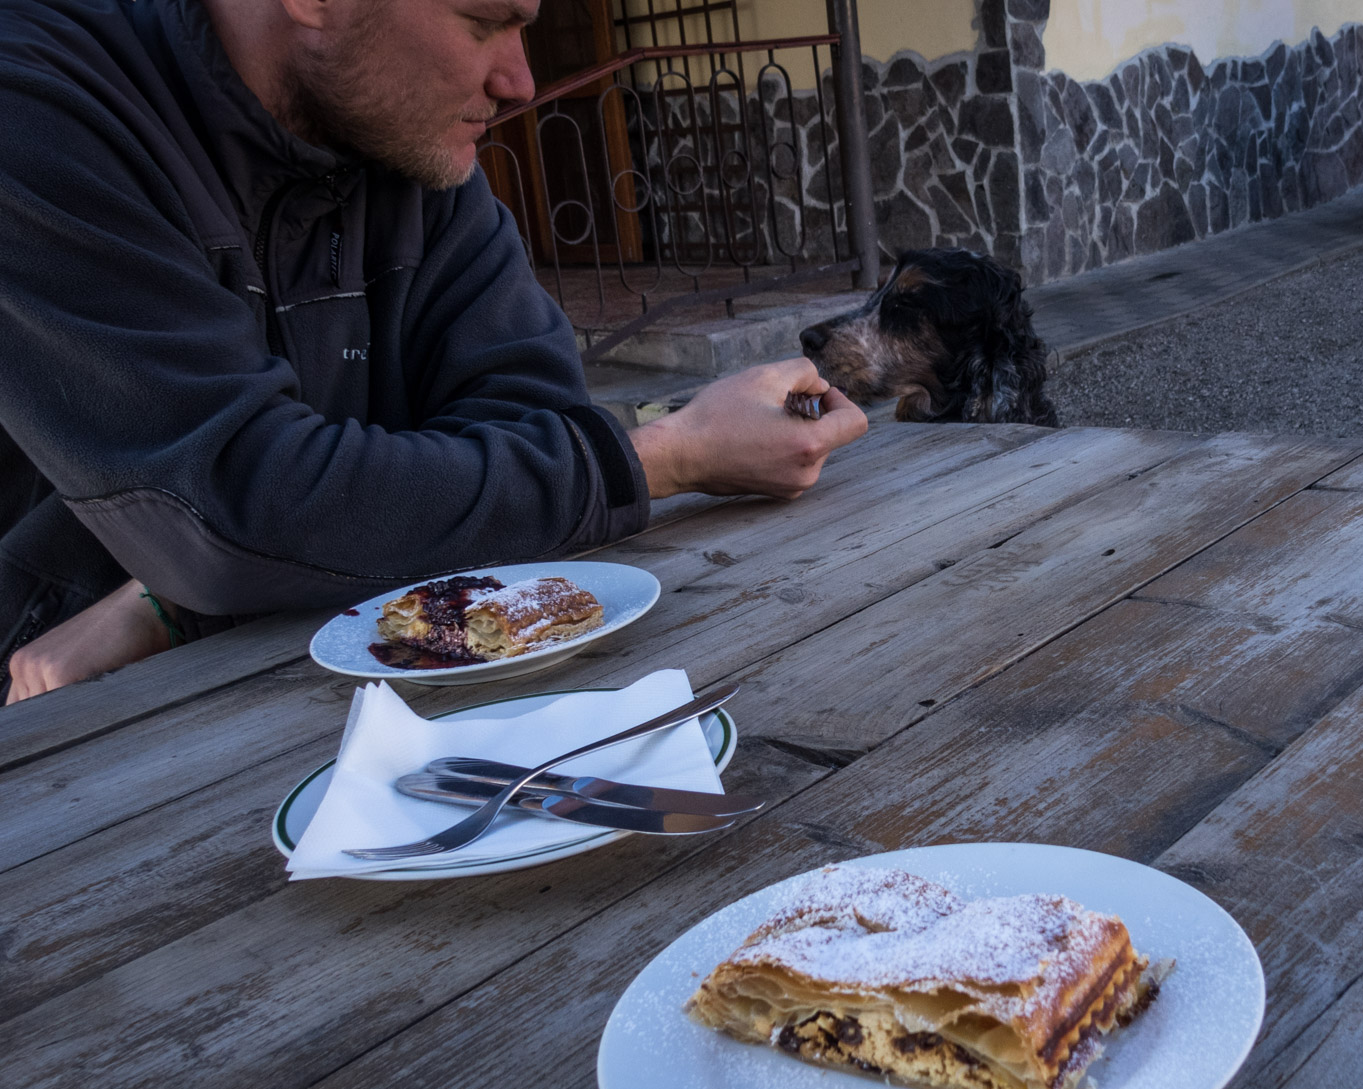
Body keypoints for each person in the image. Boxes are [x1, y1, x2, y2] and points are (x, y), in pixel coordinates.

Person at [0, 0, 867, 704]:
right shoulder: (41, 105)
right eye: (484, 21)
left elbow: (527, 420)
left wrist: (171, 603)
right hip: (62, 750)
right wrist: (662, 456)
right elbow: (232, 506)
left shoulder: (399, 141)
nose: (521, 81)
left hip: (326, 679)